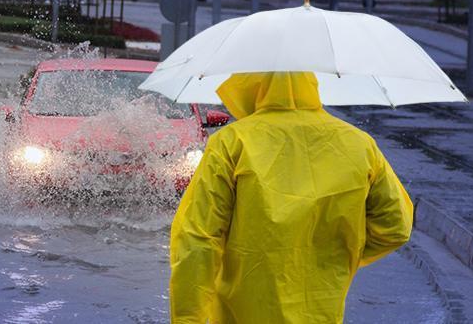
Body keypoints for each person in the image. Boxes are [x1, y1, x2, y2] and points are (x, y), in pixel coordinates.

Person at [170, 72, 413, 323]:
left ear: (252, 83)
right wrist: (338, 254)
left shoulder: (231, 143)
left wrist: (188, 319)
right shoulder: (361, 145)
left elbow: (197, 240)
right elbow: (396, 227)